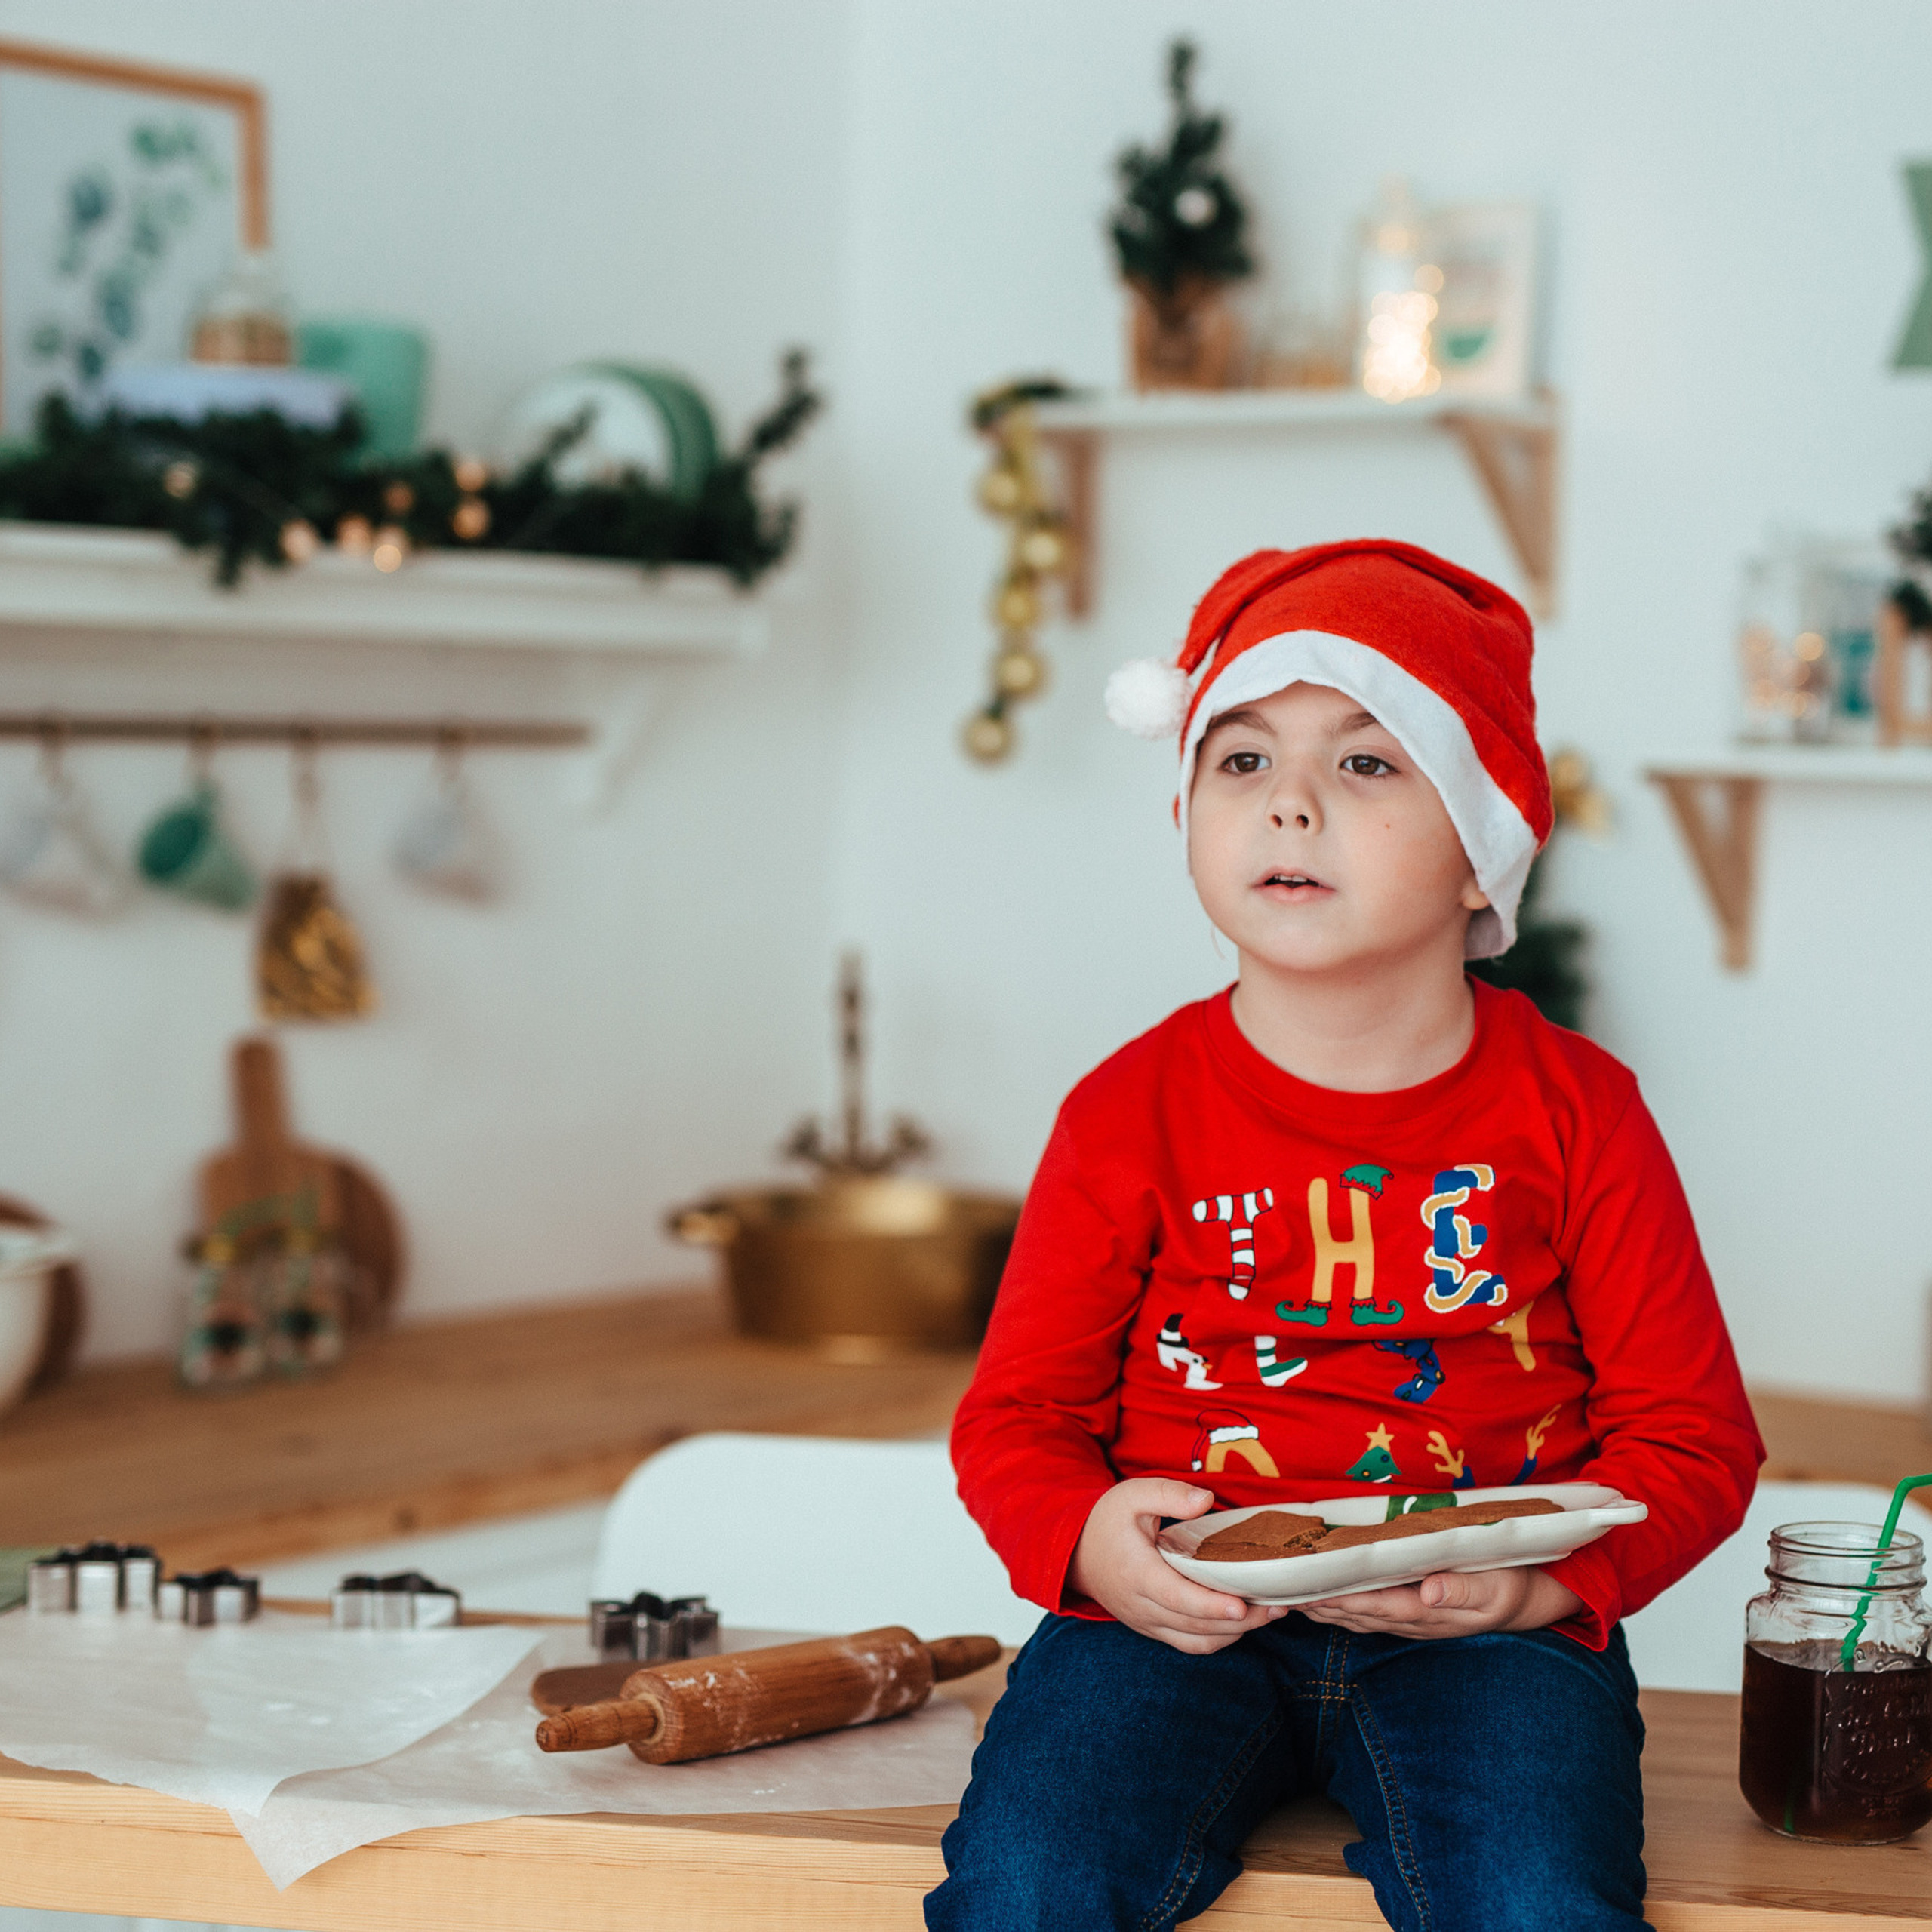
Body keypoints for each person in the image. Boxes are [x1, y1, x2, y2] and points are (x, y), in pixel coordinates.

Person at [928, 540, 1762, 1932]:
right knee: (1026, 1890)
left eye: (1369, 764)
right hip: (1169, 1623)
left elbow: (1694, 1441)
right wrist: (1086, 1541)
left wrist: (1541, 1585)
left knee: (1541, 1905)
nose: (1291, 809)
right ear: (1188, 809)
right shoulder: (1128, 1112)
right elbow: (1015, 1414)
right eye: (1244, 762)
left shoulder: (1582, 1112)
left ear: (1480, 844)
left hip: (1492, 1644)